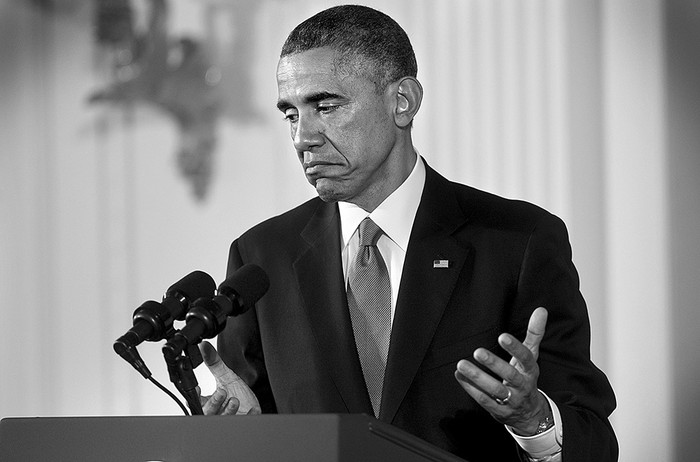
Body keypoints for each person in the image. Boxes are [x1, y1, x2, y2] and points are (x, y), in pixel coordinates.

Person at [198, 5, 618, 461]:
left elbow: (593, 442)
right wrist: (240, 440)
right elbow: (256, 431)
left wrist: (533, 418)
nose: (303, 137)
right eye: (291, 114)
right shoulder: (262, 258)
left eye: (326, 105)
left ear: (403, 102)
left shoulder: (517, 241)